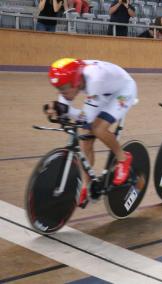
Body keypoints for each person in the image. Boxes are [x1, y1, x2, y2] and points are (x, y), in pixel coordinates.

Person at [44, 58, 138, 206]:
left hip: (123, 90)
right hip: (102, 93)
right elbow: (65, 107)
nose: (62, 92)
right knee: (85, 140)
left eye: (64, 88)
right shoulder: (70, 79)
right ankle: (86, 185)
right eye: (59, 89)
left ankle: (123, 158)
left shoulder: (94, 79)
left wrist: (65, 110)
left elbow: (85, 118)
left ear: (75, 81)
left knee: (97, 128)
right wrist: (57, 111)